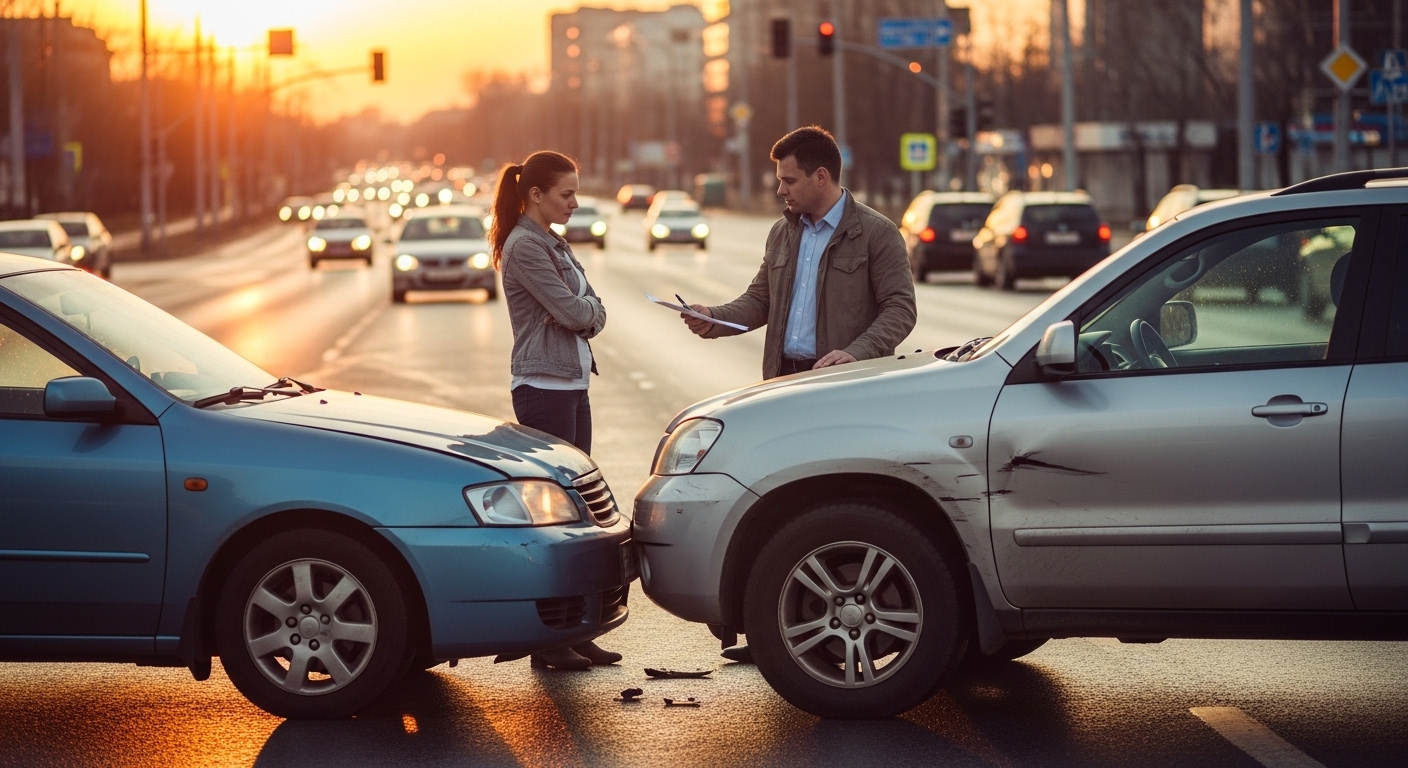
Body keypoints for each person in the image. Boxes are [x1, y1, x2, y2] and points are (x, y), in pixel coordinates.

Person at [680, 126, 917, 661]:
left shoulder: (876, 234)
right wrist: (712, 317)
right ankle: (771, 632)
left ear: (821, 176)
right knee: (777, 505)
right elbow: (759, 301)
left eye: (789, 180)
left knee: (830, 510)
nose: (780, 189)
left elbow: (900, 309)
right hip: (783, 385)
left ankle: (825, 630)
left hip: (840, 389)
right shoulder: (782, 233)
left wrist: (855, 353)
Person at [489, 150, 621, 671]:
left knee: (580, 512)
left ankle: (578, 629)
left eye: (575, 193)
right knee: (555, 517)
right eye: (566, 194)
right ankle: (548, 641)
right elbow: (574, 309)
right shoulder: (525, 245)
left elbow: (591, 310)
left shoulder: (552, 241)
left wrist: (584, 313)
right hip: (543, 388)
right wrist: (585, 313)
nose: (574, 203)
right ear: (535, 194)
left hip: (569, 382)